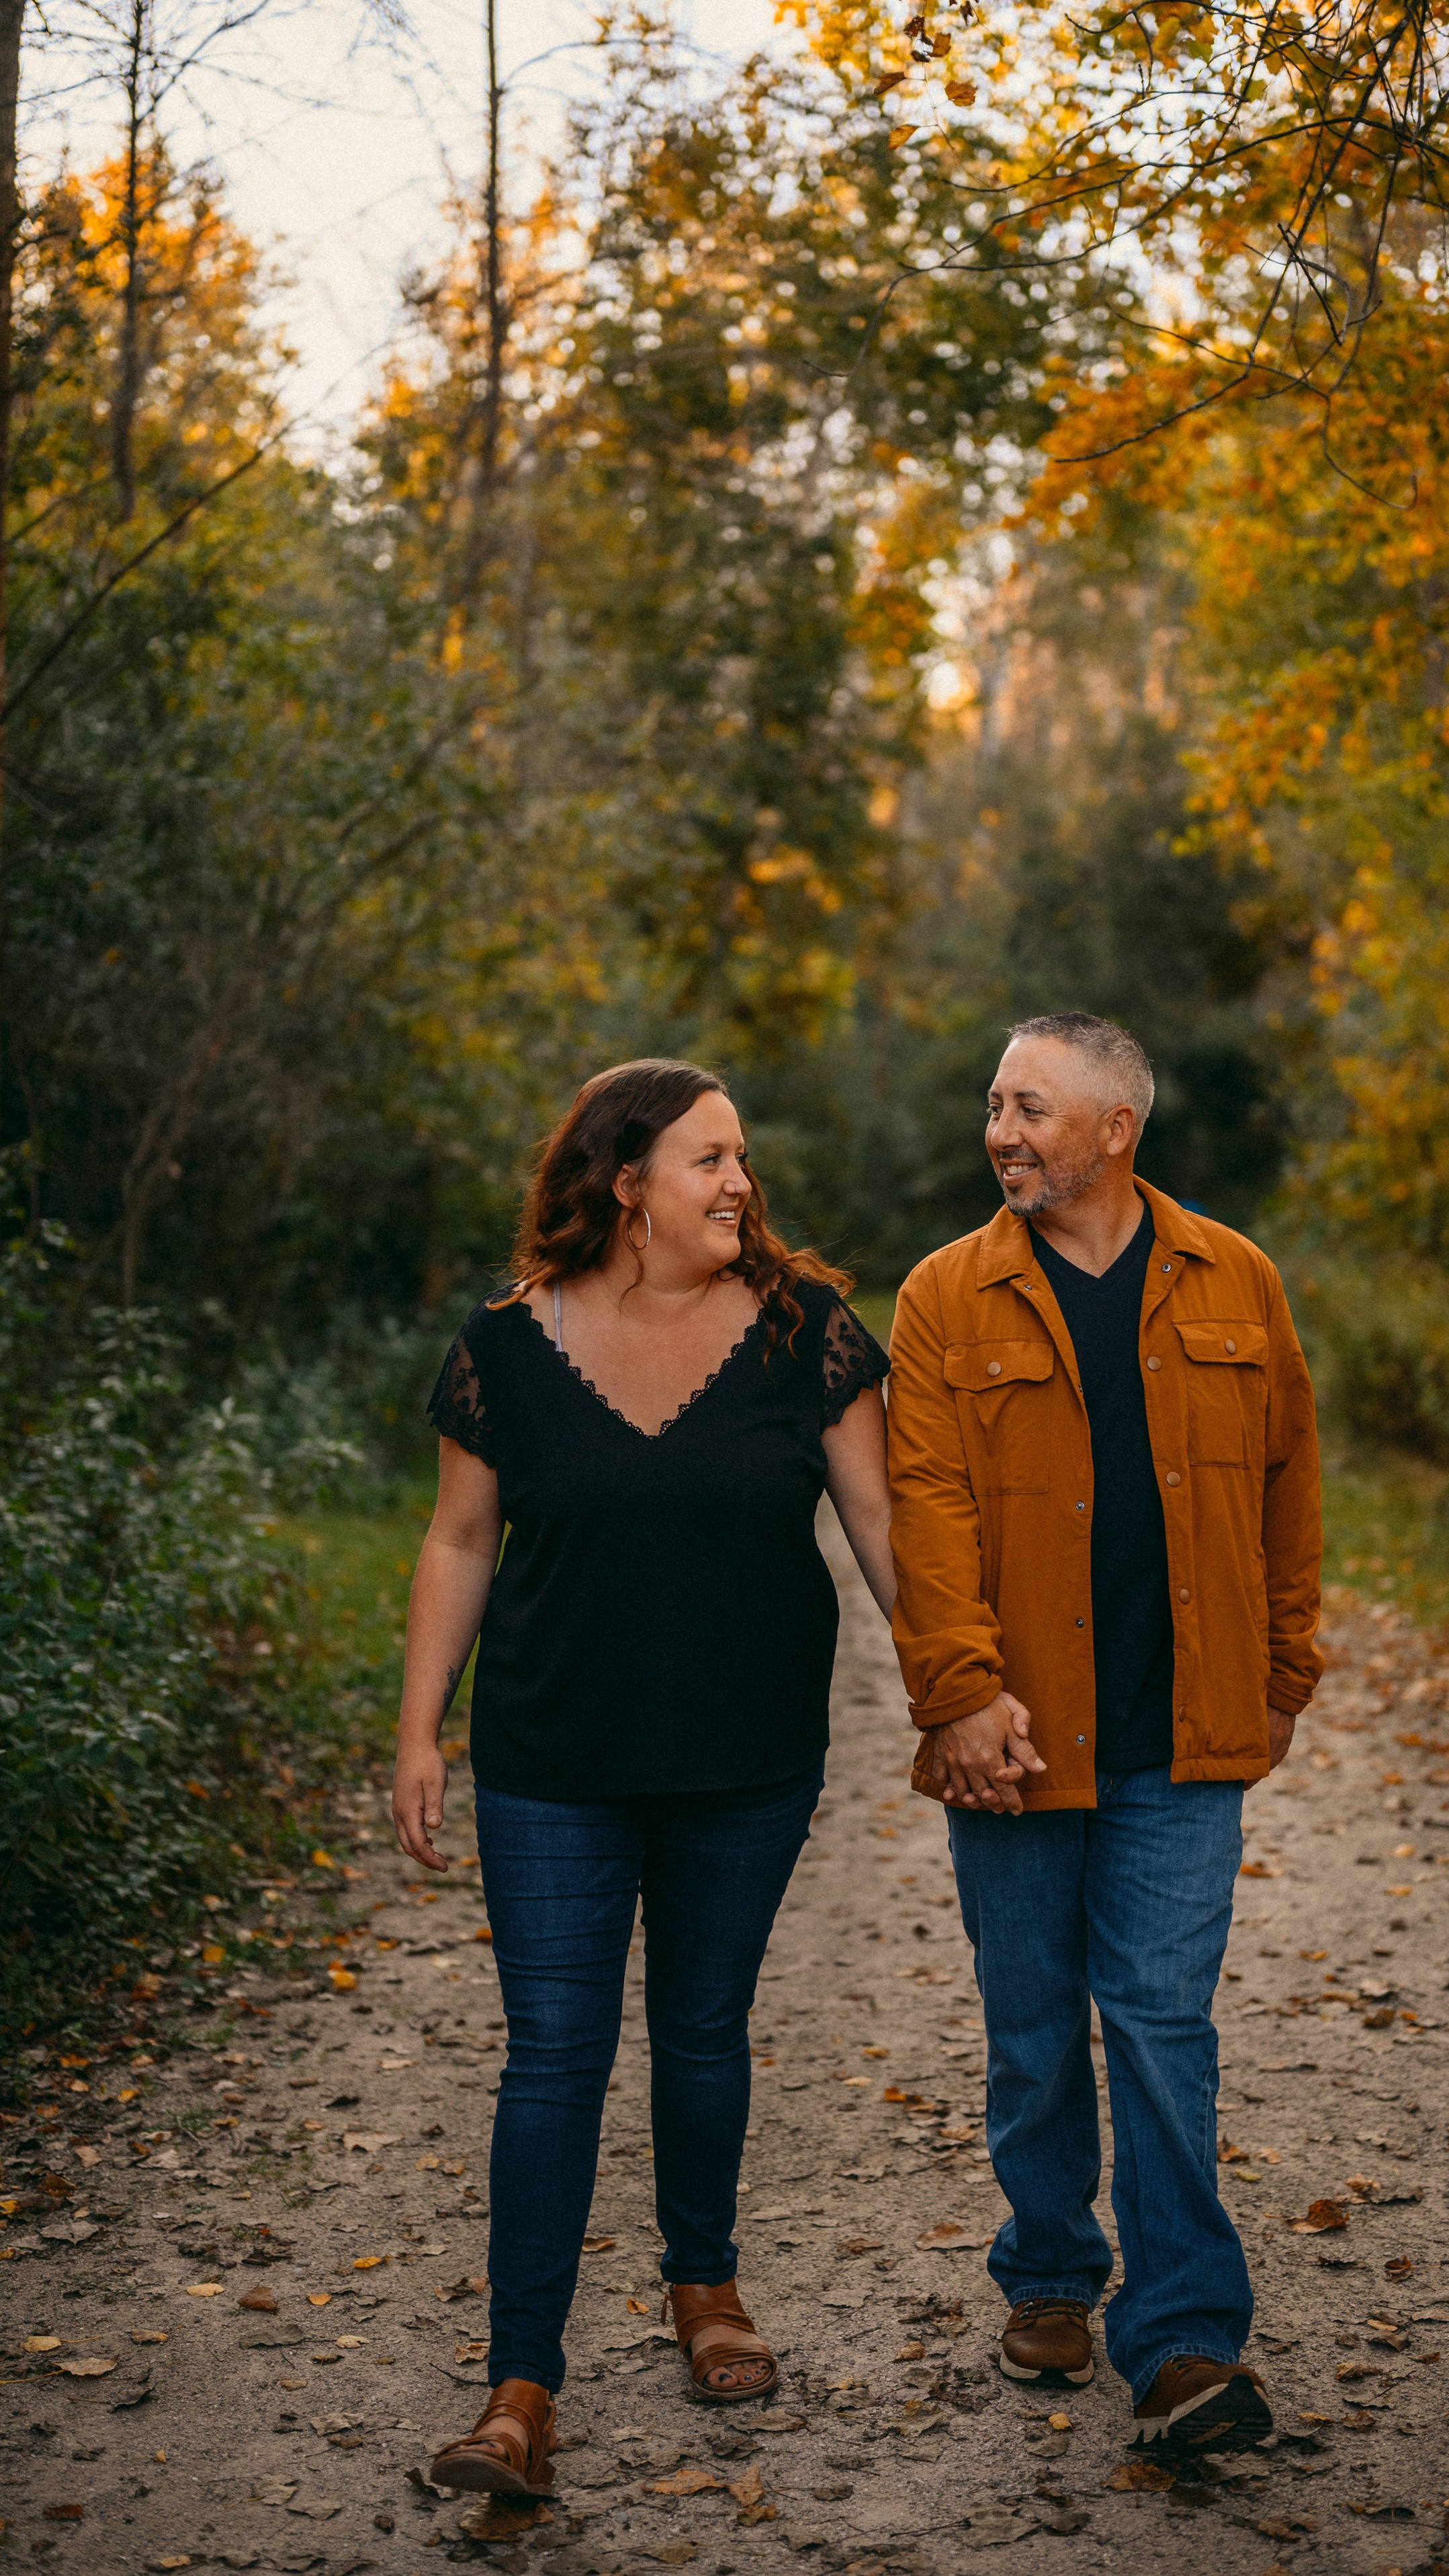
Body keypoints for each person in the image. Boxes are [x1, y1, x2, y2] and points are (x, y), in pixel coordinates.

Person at [393, 1058, 893, 2495]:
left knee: (701, 2026)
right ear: (625, 1182)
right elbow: (459, 1541)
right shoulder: (504, 1348)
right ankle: (518, 2387)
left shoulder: (809, 1336)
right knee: (552, 2054)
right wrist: (418, 1727)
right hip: (553, 1758)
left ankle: (705, 2288)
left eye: (740, 1158)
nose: (741, 1182)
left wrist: (958, 1685)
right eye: (710, 1158)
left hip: (745, 1756)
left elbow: (877, 1524)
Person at [885, 1012, 1322, 2453]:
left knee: (1157, 2025)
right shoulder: (946, 1296)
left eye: (1028, 1107)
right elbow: (925, 1507)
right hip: (1011, 1736)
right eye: (992, 1104)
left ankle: (1186, 2334)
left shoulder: (1232, 1277)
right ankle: (1051, 2269)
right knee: (1030, 2027)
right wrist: (955, 1690)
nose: (1000, 1130)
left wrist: (1282, 1672)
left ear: (1114, 1127)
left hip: (1182, 1736)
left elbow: (1285, 1488)